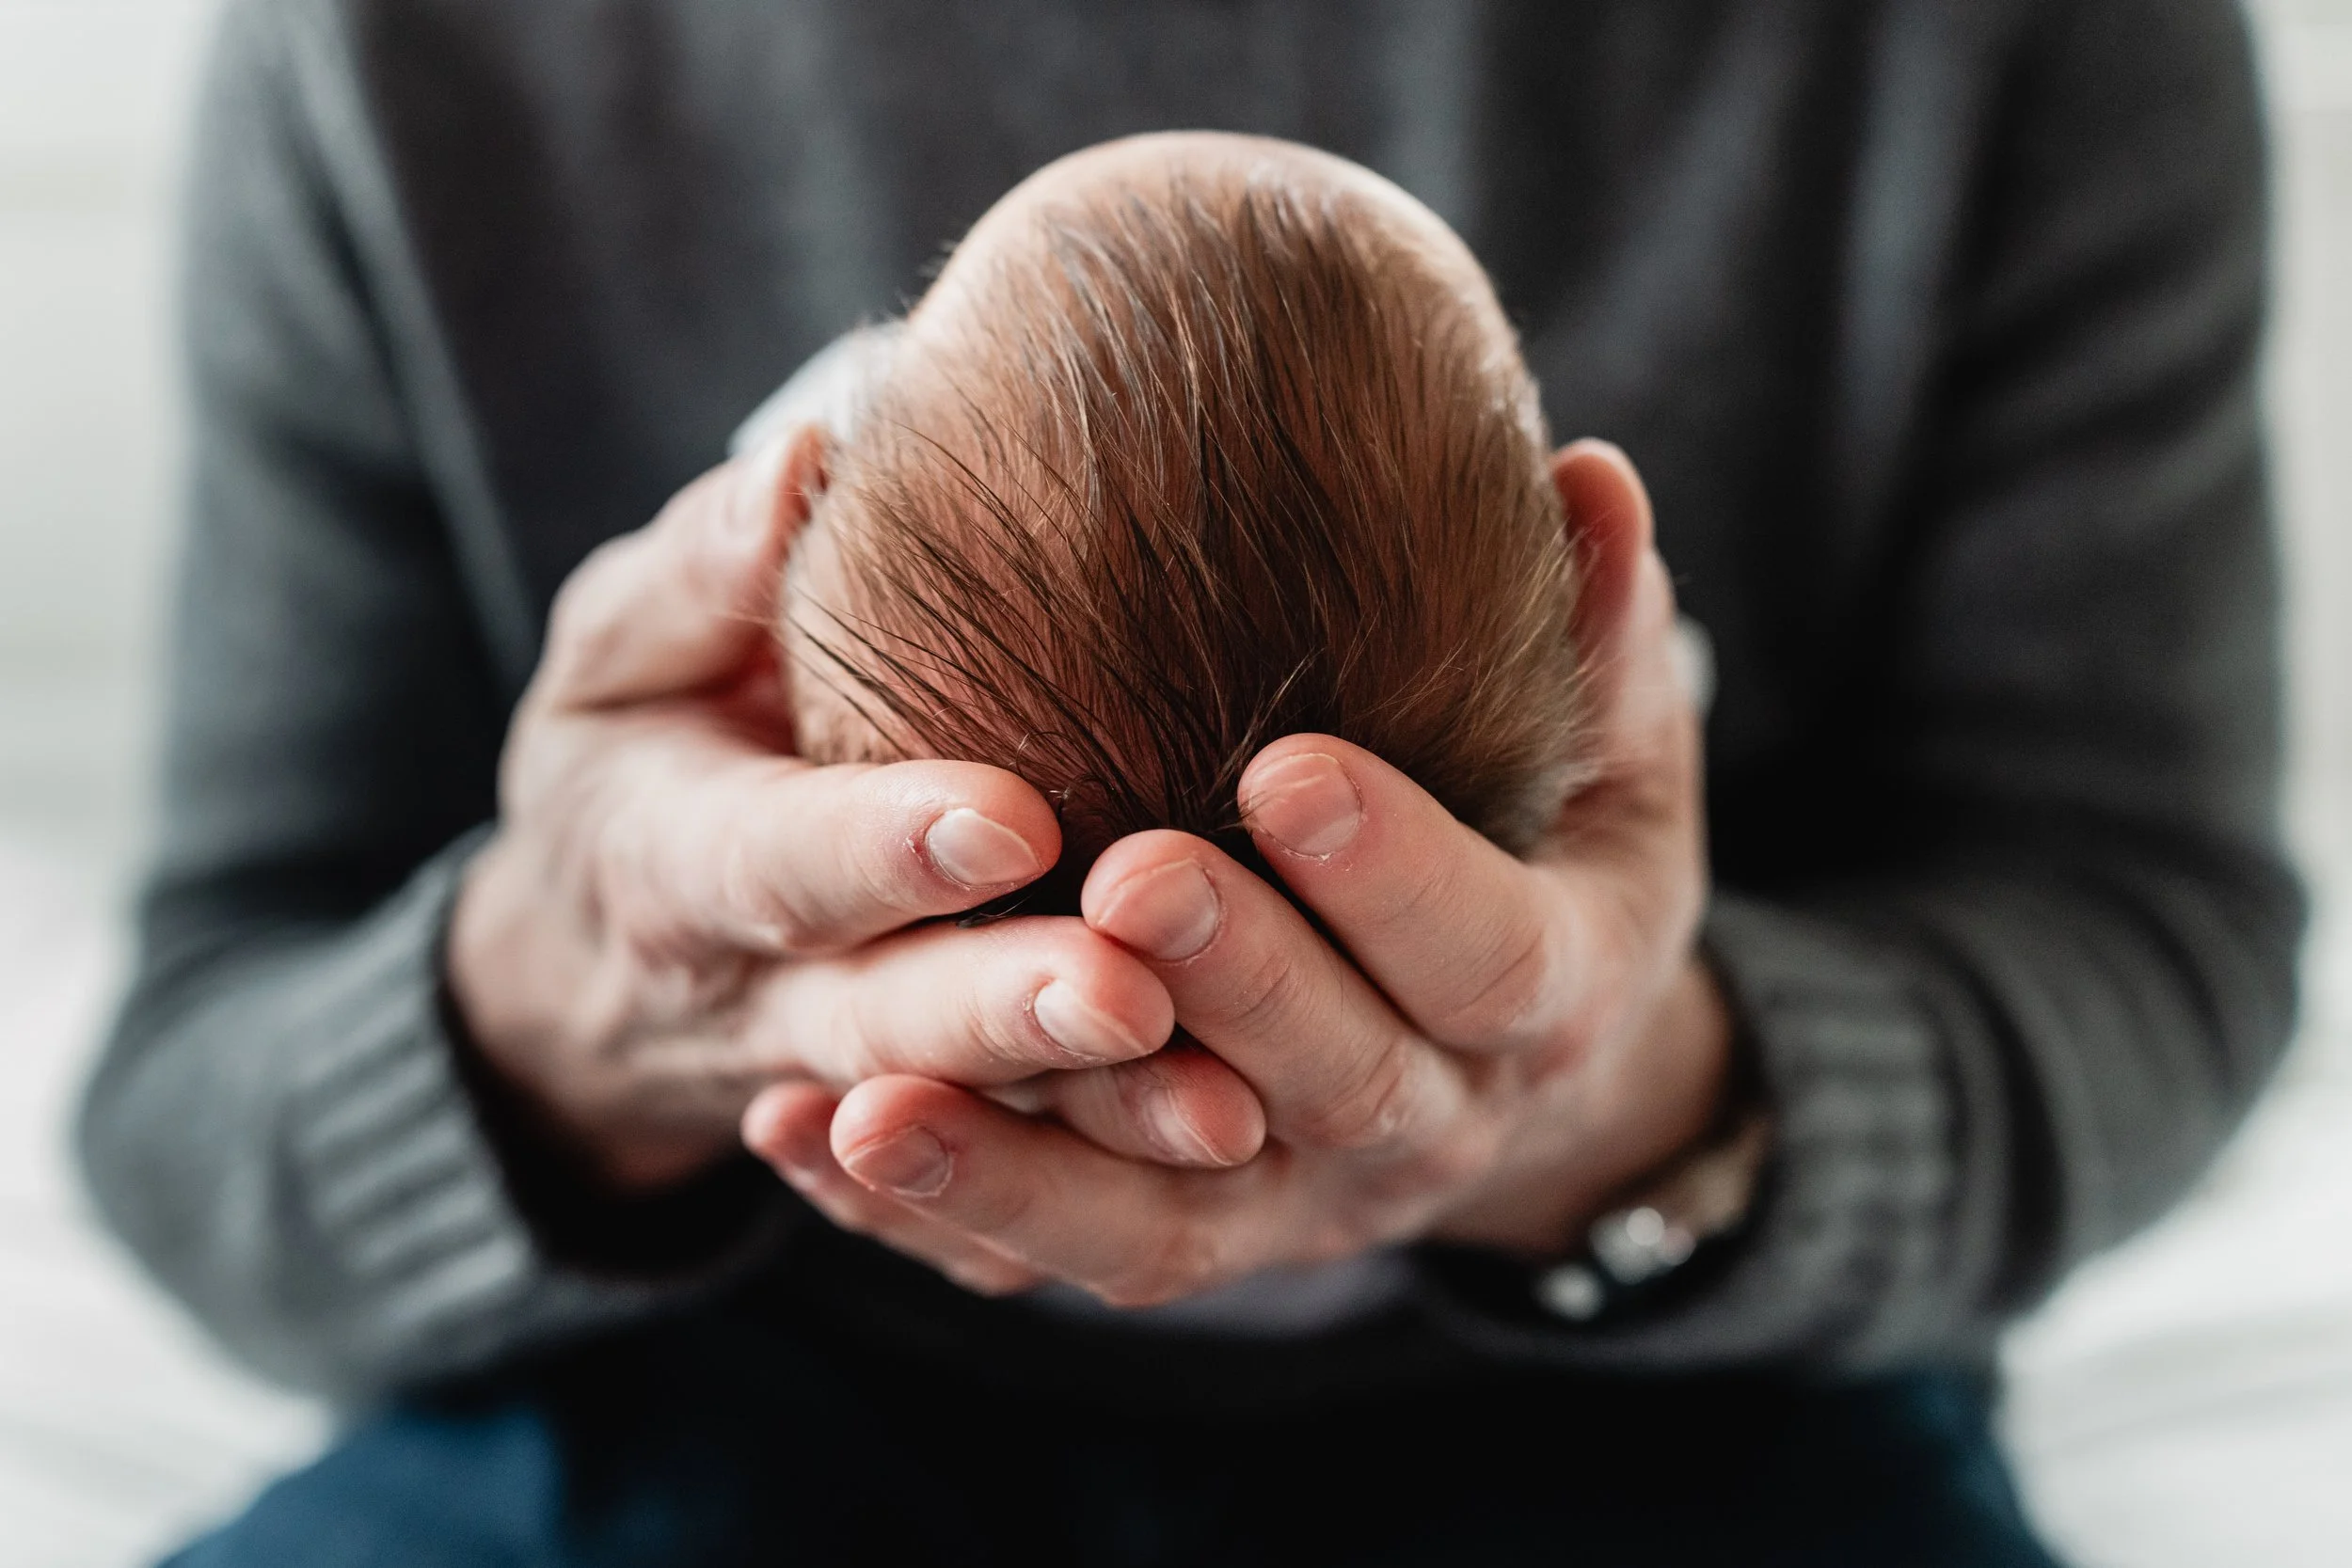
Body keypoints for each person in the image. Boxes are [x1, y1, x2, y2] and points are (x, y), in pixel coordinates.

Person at [81, 2, 2297, 1564]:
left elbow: (2146, 941)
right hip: (694, 1371)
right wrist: (593, 996)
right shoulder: (401, 40)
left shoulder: (2023, 33)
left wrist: (1622, 1106)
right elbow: (193, 1108)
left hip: (1664, 1395)